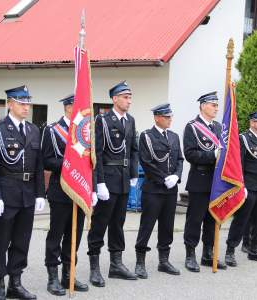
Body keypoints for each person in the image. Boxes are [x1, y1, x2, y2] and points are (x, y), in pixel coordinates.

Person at [0, 85, 45, 300]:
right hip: (6, 193)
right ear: (9, 104)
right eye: (21, 103)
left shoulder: (34, 130)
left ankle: (15, 282)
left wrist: (40, 194)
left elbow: (38, 165)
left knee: (22, 240)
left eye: (28, 103)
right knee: (1, 240)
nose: (26, 107)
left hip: (27, 194)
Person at [87, 81, 138, 287]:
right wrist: (99, 182)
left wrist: (133, 173)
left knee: (118, 223)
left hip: (124, 178)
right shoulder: (102, 120)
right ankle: (94, 266)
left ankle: (116, 264)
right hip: (107, 177)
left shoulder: (130, 120)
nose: (129, 101)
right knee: (100, 223)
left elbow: (133, 149)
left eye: (130, 97)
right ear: (114, 99)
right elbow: (96, 153)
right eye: (125, 97)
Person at [41, 94, 89, 294]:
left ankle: (68, 274)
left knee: (74, 236)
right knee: (56, 235)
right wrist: (70, 164)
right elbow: (47, 160)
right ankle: (52, 277)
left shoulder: (85, 131)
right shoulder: (53, 131)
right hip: (60, 191)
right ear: (69, 108)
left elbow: (90, 160)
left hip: (80, 190)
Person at [134, 103, 183, 279]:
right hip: (154, 189)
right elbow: (147, 162)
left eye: (171, 117)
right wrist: (164, 179)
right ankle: (140, 262)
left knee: (167, 226)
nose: (170, 120)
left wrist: (176, 176)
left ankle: (164, 260)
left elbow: (180, 159)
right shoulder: (147, 136)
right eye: (166, 117)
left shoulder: (175, 137)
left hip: (171, 189)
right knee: (147, 225)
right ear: (157, 118)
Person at [225, 110, 257, 267]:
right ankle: (230, 251)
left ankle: (254, 249)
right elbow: (238, 164)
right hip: (249, 185)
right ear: (252, 122)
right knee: (241, 220)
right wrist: (241, 185)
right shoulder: (243, 139)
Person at [182, 92, 227, 272]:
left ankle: (208, 254)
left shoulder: (218, 127)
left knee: (212, 219)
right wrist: (212, 155)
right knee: (195, 219)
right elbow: (190, 154)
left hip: (216, 181)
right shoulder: (192, 127)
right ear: (202, 106)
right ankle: (190, 254)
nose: (216, 108)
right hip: (199, 179)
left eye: (217, 105)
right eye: (212, 105)